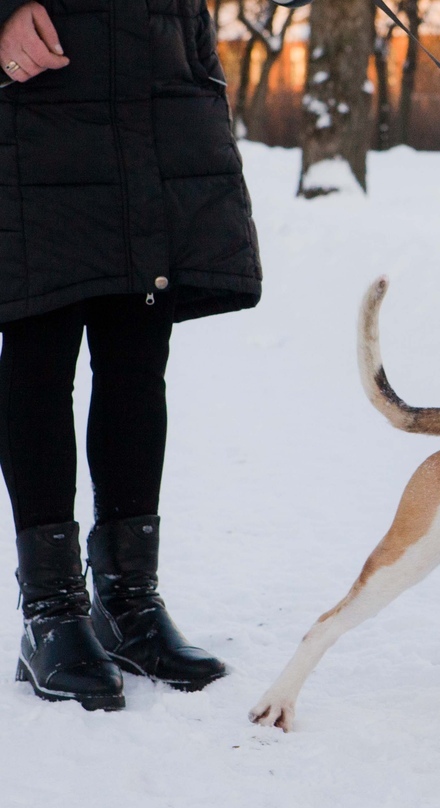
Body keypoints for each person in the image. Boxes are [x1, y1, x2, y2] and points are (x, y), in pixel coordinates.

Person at [0, 0, 262, 709]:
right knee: (39, 344)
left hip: (155, 87)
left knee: (137, 352)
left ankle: (127, 603)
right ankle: (51, 612)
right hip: (40, 101)